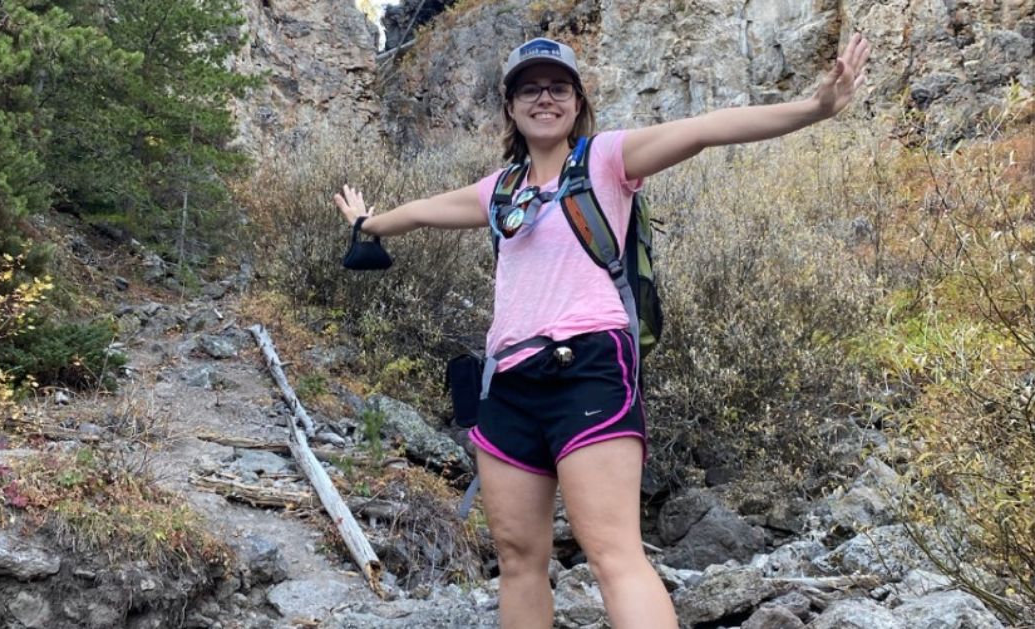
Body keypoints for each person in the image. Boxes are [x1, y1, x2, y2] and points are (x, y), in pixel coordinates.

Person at [335, 34, 870, 629]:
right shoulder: (500, 191)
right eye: (530, 88)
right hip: (506, 384)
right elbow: (419, 213)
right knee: (517, 559)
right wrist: (367, 224)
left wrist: (813, 108)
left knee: (613, 554)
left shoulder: (607, 160)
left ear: (577, 102)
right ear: (510, 106)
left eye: (558, 87)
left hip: (588, 367)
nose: (545, 98)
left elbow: (705, 128)